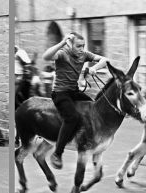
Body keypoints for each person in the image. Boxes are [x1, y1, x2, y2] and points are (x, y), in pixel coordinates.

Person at [42, 32, 110, 169]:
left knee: (93, 106)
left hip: (73, 91)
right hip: (60, 93)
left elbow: (105, 60)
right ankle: (57, 153)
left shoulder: (84, 54)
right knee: (72, 118)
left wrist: (94, 68)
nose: (81, 48)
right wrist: (62, 42)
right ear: (70, 44)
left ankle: (87, 136)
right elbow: (46, 56)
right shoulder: (62, 54)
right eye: (78, 46)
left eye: (83, 45)